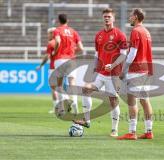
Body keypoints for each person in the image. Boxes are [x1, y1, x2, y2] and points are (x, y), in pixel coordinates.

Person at [76, 8, 128, 137]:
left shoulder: (120, 35)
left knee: (112, 101)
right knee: (85, 89)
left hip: (113, 74)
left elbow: (123, 55)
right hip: (101, 73)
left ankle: (114, 129)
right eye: (105, 16)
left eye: (109, 16)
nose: (106, 18)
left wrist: (114, 64)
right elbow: (98, 53)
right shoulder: (98, 35)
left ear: (113, 18)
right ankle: (86, 120)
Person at [116, 8, 154, 140]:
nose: (129, 17)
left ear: (136, 17)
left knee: (132, 101)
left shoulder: (136, 31)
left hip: (136, 70)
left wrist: (123, 70)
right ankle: (149, 131)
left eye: (131, 15)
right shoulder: (146, 32)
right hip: (146, 70)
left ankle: (132, 132)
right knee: (145, 100)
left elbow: (132, 53)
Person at [52, 14, 92, 126]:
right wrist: (73, 52)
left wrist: (55, 51)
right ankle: (74, 105)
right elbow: (81, 48)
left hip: (60, 59)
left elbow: (58, 41)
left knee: (59, 84)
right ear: (67, 20)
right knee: (72, 82)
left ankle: (63, 107)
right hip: (71, 60)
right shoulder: (73, 31)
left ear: (58, 20)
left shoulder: (57, 30)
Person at [36, 27, 57, 114]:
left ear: (52, 34)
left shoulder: (51, 43)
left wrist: (40, 66)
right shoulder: (62, 43)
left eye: (48, 33)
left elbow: (47, 56)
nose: (47, 35)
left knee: (53, 89)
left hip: (53, 68)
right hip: (64, 67)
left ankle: (57, 108)